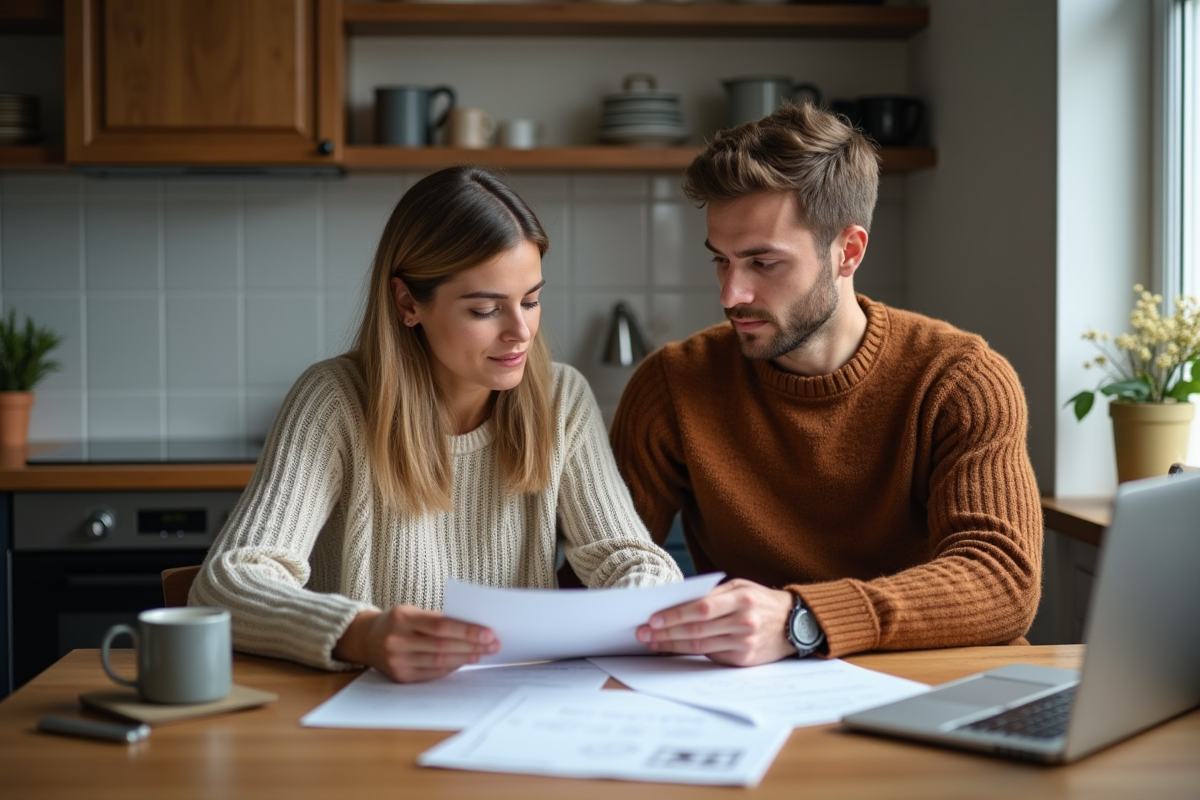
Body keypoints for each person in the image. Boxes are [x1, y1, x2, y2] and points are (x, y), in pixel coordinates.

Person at [191, 166, 682, 683]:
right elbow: (227, 582)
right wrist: (363, 633)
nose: (520, 332)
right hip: (369, 712)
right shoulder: (334, 400)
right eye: (486, 310)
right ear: (408, 304)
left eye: (531, 301)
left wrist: (639, 600)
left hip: (519, 706)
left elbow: (632, 559)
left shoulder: (561, 397)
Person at [612, 103, 1042, 667]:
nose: (730, 294)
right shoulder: (672, 386)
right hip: (756, 695)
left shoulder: (959, 380)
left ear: (849, 252)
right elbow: (603, 566)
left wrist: (802, 620)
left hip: (940, 682)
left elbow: (1002, 579)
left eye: (763, 263)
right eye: (721, 260)